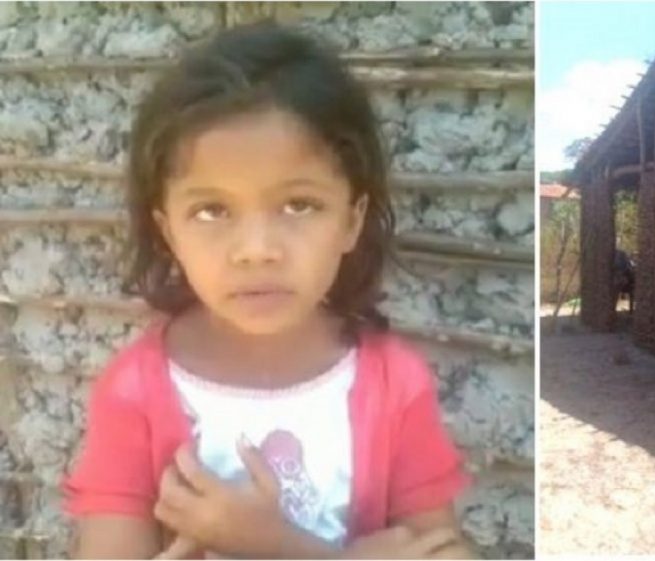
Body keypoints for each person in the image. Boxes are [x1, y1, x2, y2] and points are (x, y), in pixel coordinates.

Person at [62, 21, 470, 559]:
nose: (256, 249)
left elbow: (444, 551)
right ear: (169, 233)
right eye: (211, 210)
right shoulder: (135, 393)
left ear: (351, 221)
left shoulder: (394, 385)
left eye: (299, 205)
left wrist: (278, 545)